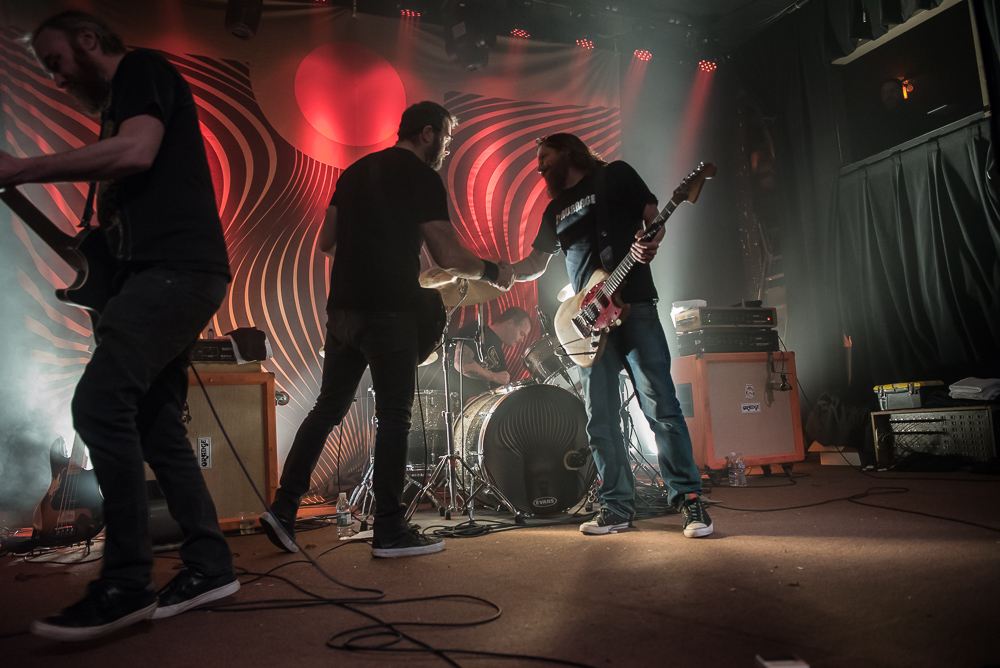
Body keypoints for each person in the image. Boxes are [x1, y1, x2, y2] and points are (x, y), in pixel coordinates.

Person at [0, 11, 239, 641]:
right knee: (156, 426)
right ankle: (211, 564)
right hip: (166, 273)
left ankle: (126, 582)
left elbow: (137, 152)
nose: (55, 80)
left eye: (55, 62)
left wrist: (18, 168)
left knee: (101, 405)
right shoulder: (117, 109)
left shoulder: (141, 69)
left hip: (176, 271)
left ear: (86, 39)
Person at [260, 102, 513, 558]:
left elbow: (327, 243)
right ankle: (391, 529)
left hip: (342, 310)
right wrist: (493, 272)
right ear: (429, 133)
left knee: (327, 408)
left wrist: (367, 259)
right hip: (390, 310)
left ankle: (283, 508)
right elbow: (448, 255)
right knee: (394, 414)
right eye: (448, 138)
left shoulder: (354, 172)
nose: (448, 148)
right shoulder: (421, 177)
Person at [510, 133, 713, 538]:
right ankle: (616, 507)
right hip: (586, 323)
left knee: (661, 407)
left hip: (634, 304)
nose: (540, 167)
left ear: (568, 152)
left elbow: (653, 218)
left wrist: (649, 243)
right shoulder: (555, 210)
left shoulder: (615, 176)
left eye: (545, 158)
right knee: (599, 420)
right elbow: (534, 262)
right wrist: (498, 274)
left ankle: (690, 502)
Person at [452, 306, 532, 400]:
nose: (522, 340)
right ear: (510, 323)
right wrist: (494, 376)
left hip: (483, 407)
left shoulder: (500, 355)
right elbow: (461, 364)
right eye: (521, 334)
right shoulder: (478, 330)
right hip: (460, 403)